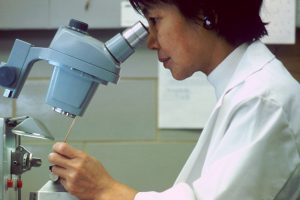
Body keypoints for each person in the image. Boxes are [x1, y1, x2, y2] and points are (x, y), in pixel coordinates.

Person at [48, 0, 300, 199]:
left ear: (206, 14)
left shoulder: (262, 100)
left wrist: (104, 190)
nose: (151, 41)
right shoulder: (242, 89)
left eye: (155, 20)